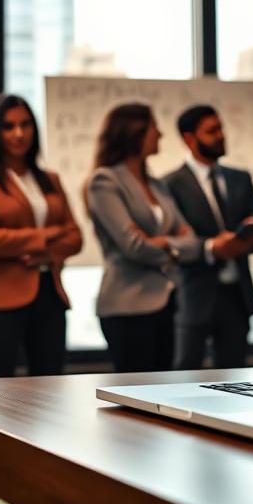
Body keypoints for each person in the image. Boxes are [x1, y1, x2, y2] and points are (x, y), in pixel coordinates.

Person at [0, 93, 83, 504]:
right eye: (8, 126)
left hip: (48, 298)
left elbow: (76, 236)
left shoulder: (48, 177)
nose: (18, 134)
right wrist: (46, 236)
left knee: (50, 405)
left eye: (25, 125)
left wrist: (35, 243)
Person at [86, 103, 204, 373]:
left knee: (160, 393)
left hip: (166, 303)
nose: (160, 134)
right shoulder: (105, 182)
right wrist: (173, 242)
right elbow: (134, 246)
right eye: (154, 127)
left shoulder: (157, 185)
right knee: (135, 396)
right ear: (134, 133)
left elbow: (193, 241)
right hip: (127, 307)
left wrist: (164, 243)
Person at [163, 105, 253, 370]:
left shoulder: (239, 178)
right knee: (185, 374)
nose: (221, 135)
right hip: (193, 294)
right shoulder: (170, 184)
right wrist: (212, 248)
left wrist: (249, 237)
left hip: (237, 295)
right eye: (211, 131)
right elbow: (172, 240)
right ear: (189, 138)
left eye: (221, 128)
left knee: (234, 377)